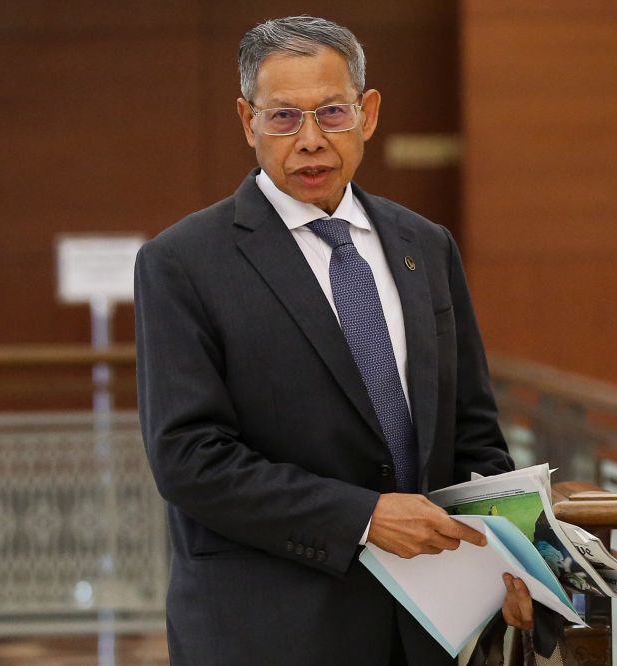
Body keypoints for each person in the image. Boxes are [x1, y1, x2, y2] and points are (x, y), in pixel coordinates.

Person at [135, 15, 530, 666]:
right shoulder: (183, 263)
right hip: (268, 628)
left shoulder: (424, 246)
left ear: (368, 113)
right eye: (284, 118)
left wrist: (514, 560)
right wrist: (365, 519)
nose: (311, 141)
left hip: (425, 628)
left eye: (332, 113)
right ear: (247, 121)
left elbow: (472, 433)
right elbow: (189, 459)